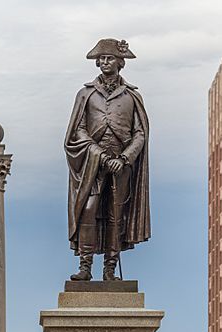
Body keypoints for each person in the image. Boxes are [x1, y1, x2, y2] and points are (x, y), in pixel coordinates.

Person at [65, 38, 150, 282]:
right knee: (88, 210)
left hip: (121, 165)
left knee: (116, 214)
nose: (104, 62)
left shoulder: (132, 96)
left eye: (109, 58)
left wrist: (124, 158)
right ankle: (85, 266)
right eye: (100, 59)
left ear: (120, 62)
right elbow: (78, 129)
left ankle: (110, 269)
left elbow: (140, 133)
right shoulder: (86, 94)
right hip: (92, 163)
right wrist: (98, 154)